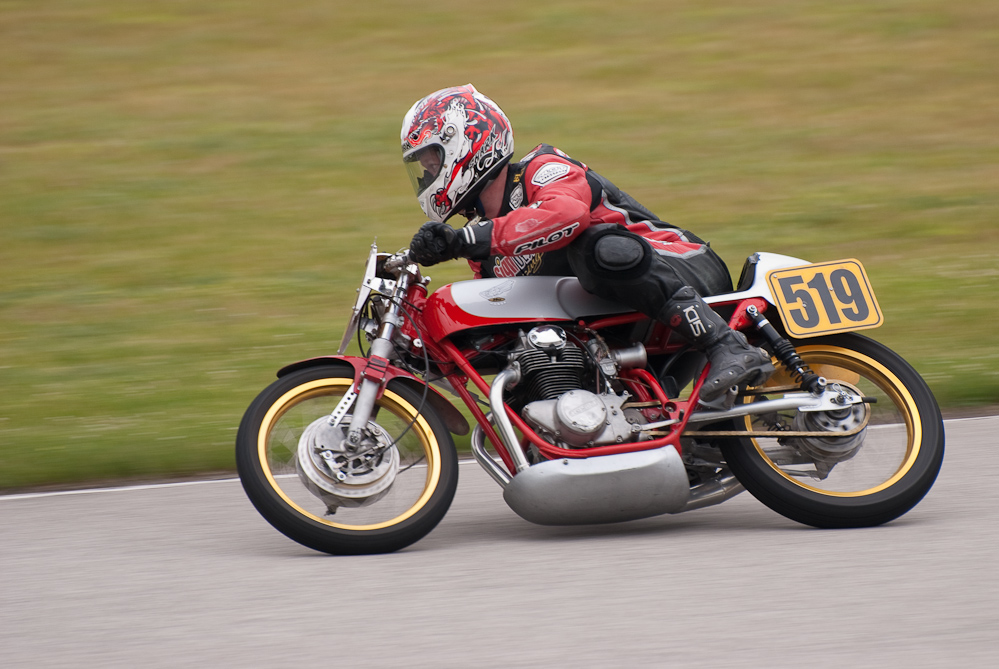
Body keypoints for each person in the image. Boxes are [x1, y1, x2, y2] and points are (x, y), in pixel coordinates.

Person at [401, 85, 772, 402]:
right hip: (627, 320)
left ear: (468, 143)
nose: (428, 174)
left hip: (684, 268)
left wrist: (466, 240)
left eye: (432, 161)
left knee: (592, 245)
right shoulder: (487, 256)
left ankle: (728, 345)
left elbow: (567, 215)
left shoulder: (542, 168)